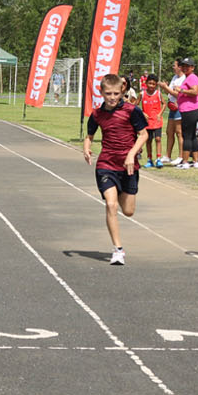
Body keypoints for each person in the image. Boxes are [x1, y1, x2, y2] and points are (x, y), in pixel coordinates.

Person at [82, 72, 148, 266]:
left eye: (115, 94)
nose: (112, 97)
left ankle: (119, 190)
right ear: (101, 92)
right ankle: (118, 250)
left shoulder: (131, 111)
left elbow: (143, 135)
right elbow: (90, 135)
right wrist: (86, 149)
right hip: (106, 164)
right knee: (111, 205)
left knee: (128, 211)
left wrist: (131, 154)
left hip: (128, 166)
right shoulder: (97, 114)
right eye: (108, 93)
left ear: (122, 91)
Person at [174, 56, 198, 168]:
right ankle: (196, 161)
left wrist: (181, 90)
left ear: (193, 67)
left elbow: (195, 91)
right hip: (191, 110)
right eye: (183, 66)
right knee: (191, 136)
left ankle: (185, 162)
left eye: (188, 66)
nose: (185, 68)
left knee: (186, 135)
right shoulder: (188, 77)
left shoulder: (192, 78)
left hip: (190, 110)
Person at [140, 74, 164, 167]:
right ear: (146, 83)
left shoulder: (158, 93)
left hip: (157, 121)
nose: (151, 86)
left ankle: (158, 159)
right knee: (148, 140)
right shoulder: (142, 94)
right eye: (149, 83)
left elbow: (164, 104)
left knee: (158, 139)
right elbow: (135, 105)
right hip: (147, 122)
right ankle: (149, 159)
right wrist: (142, 113)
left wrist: (160, 114)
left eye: (153, 84)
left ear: (156, 85)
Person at [164, 60, 184, 164]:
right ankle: (168, 155)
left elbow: (178, 94)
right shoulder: (174, 77)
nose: (173, 67)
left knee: (179, 132)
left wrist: (165, 87)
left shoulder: (184, 79)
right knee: (169, 131)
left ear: (180, 67)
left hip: (179, 107)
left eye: (174, 65)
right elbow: (170, 91)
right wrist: (166, 88)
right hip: (172, 106)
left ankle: (181, 156)